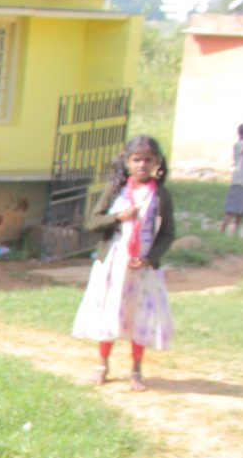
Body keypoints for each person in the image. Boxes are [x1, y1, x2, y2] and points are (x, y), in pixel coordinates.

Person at [73, 135, 175, 393]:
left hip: (143, 267)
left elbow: (167, 233)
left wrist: (150, 258)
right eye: (137, 160)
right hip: (114, 263)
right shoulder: (116, 190)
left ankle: (136, 370)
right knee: (110, 311)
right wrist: (118, 216)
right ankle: (102, 364)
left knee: (139, 316)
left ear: (157, 162)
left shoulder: (160, 195)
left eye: (148, 160)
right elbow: (93, 222)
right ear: (127, 161)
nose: (142, 165)